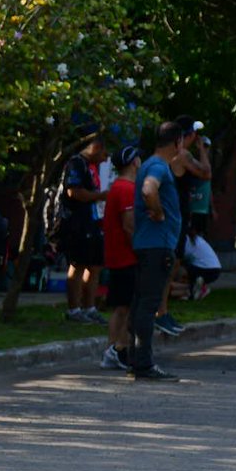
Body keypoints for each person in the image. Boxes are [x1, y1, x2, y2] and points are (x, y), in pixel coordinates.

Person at [129, 122, 185, 381]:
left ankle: (136, 359)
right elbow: (149, 190)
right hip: (156, 245)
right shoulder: (158, 166)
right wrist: (160, 211)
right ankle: (143, 363)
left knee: (141, 303)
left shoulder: (150, 163)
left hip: (148, 245)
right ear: (177, 143)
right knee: (148, 304)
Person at [155, 116, 212, 336]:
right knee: (169, 267)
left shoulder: (165, 157)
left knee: (170, 267)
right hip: (175, 217)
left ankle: (163, 312)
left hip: (172, 216)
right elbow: (206, 173)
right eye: (193, 135)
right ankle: (160, 313)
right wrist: (203, 149)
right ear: (186, 136)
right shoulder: (183, 155)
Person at [59, 133, 109, 324]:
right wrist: (100, 196)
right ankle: (74, 309)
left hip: (94, 221)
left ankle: (90, 307)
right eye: (103, 152)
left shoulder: (91, 167)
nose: (104, 158)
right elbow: (74, 191)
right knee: (78, 263)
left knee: (95, 264)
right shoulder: (76, 163)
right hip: (78, 222)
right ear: (95, 147)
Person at [100, 146, 140, 371]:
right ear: (133, 162)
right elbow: (129, 224)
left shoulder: (120, 187)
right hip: (125, 257)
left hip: (119, 256)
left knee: (122, 306)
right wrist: (139, 251)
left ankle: (114, 349)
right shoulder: (125, 188)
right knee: (125, 307)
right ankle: (116, 348)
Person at [183, 232, 221, 300]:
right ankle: (200, 288)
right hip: (216, 269)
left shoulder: (186, 240)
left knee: (181, 269)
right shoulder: (198, 239)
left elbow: (182, 257)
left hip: (204, 269)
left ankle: (191, 290)